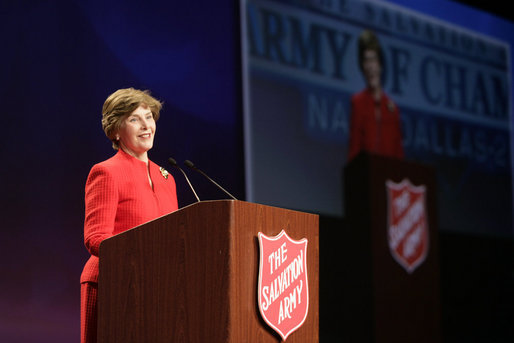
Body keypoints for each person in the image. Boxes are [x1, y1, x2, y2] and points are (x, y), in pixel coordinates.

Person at [80, 88, 178, 343]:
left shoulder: (168, 178)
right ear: (115, 130)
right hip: (114, 285)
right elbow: (95, 237)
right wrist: (139, 258)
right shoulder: (106, 172)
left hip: (159, 288)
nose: (146, 125)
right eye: (135, 119)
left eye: (149, 117)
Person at [347, 29, 404, 161]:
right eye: (366, 61)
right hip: (366, 176)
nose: (370, 67)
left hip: (389, 178)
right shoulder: (358, 103)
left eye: (373, 60)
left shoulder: (392, 109)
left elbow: (398, 155)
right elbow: (354, 150)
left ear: (380, 65)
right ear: (362, 67)